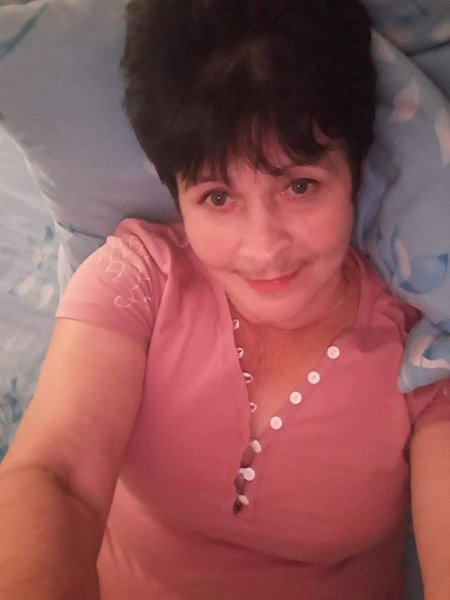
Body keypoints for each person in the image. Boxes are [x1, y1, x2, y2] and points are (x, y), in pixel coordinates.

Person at [0, 0, 449, 598]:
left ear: (356, 173)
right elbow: (56, 476)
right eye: (217, 196)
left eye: (300, 185)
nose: (263, 248)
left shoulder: (422, 351)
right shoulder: (139, 277)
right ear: (176, 193)